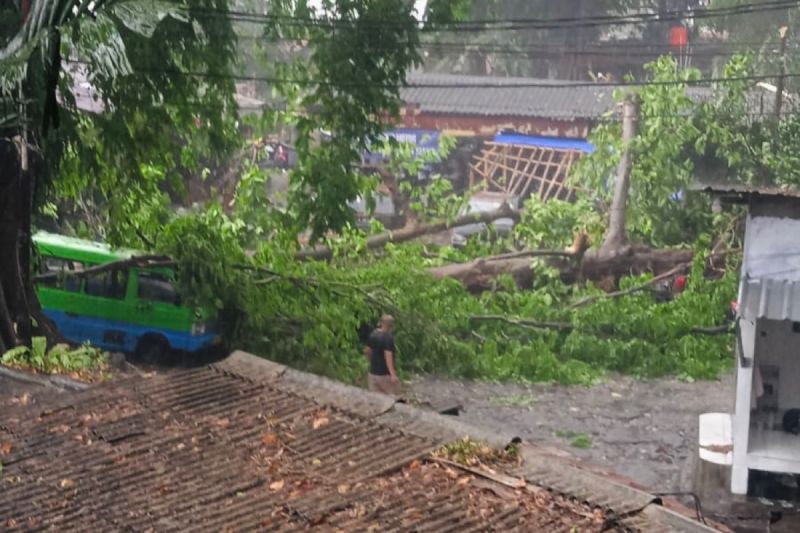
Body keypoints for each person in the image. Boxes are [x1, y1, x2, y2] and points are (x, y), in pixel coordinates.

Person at [365, 314, 399, 395]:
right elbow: (388, 357)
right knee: (392, 398)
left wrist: (371, 361)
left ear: (381, 323)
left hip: (372, 373)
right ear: (391, 326)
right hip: (384, 375)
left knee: (375, 399)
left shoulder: (373, 334)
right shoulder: (388, 338)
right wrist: (393, 375)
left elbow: (367, 350)